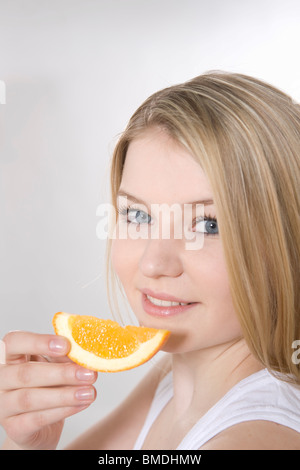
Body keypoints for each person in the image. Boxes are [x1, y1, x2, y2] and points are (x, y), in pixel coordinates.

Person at [1, 71, 300, 450]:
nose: (153, 264)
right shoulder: (175, 381)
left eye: (207, 225)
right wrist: (29, 443)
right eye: (139, 216)